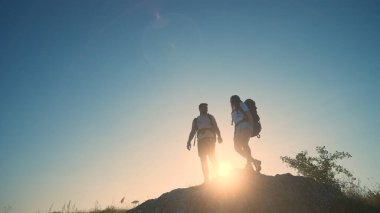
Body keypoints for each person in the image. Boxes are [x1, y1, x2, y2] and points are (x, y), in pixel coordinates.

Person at [186, 103, 223, 184]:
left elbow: (216, 127)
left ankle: (217, 175)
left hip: (210, 138)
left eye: (207, 107)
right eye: (204, 107)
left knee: (212, 157)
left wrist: (219, 136)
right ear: (200, 109)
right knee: (203, 160)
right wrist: (189, 141)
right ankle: (206, 179)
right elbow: (192, 131)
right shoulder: (196, 120)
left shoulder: (210, 117)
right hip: (201, 140)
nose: (206, 109)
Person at [230, 95, 261, 172]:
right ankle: (255, 161)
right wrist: (235, 134)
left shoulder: (242, 104)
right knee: (237, 148)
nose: (232, 101)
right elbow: (235, 123)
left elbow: (249, 115)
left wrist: (251, 126)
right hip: (237, 128)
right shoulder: (233, 109)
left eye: (233, 99)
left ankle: (249, 165)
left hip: (245, 125)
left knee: (244, 143)